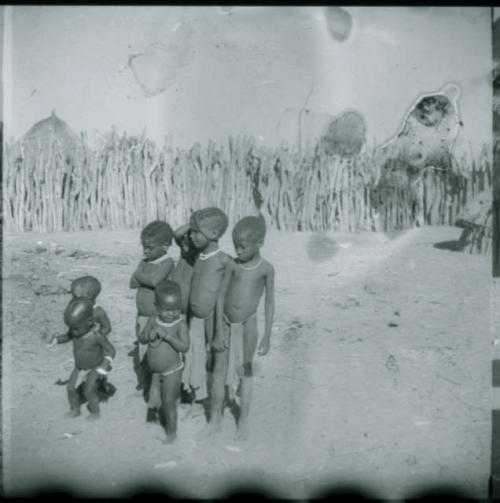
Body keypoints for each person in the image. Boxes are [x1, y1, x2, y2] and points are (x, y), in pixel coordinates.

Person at [203, 215, 275, 441]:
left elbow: (269, 302)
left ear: (259, 243)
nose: (238, 251)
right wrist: (218, 331)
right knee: (218, 372)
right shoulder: (233, 265)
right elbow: (220, 297)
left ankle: (242, 421)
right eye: (235, 246)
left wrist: (267, 336)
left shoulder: (266, 270)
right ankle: (215, 419)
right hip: (225, 322)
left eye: (243, 247)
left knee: (246, 372)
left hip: (248, 326)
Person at [181, 207, 230, 410]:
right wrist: (195, 221)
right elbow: (178, 234)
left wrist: (220, 330)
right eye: (191, 231)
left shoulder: (223, 261)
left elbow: (224, 295)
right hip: (196, 320)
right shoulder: (197, 256)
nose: (191, 236)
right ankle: (199, 399)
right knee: (196, 360)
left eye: (196, 232)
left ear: (214, 234)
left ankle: (215, 403)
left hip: (213, 318)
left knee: (214, 360)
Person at [130, 220, 175, 422]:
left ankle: (156, 403)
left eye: (149, 247)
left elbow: (155, 281)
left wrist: (140, 274)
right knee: (143, 356)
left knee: (156, 357)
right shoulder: (146, 262)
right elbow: (133, 283)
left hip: (155, 319)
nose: (145, 251)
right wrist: (141, 275)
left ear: (164, 246)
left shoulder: (166, 263)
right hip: (141, 317)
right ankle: (148, 390)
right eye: (144, 247)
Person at [47, 297, 116, 419]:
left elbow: (111, 350)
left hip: (94, 367)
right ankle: (75, 409)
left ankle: (95, 412)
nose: (73, 332)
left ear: (89, 321)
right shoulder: (76, 331)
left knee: (89, 390)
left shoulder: (96, 336)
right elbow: (67, 336)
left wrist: (106, 363)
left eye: (76, 328)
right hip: (79, 366)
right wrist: (56, 340)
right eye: (71, 328)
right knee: (70, 388)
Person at [138, 281, 190, 443]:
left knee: (168, 402)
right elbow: (142, 337)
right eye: (167, 310)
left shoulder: (180, 325)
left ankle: (171, 432)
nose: (172, 313)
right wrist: (148, 335)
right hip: (155, 371)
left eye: (176, 309)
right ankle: (153, 417)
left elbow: (185, 347)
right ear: (157, 307)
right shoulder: (153, 320)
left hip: (172, 371)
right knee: (154, 396)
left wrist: (167, 336)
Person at [171, 223, 198, 316]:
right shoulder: (183, 255)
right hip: (173, 310)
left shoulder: (197, 259)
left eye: (187, 243)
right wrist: (193, 222)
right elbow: (177, 234)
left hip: (189, 312)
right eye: (183, 240)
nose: (183, 243)